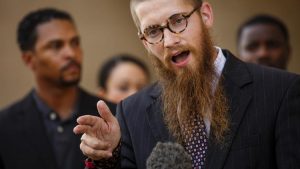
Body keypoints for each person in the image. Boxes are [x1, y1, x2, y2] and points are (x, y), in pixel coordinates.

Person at [74, 0, 300, 169]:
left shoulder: (281, 91)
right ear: (144, 42)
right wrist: (109, 156)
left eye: (178, 21)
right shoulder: (131, 112)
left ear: (206, 15)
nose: (170, 41)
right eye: (153, 31)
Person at [0, 8, 115, 169]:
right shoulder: (5, 127)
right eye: (56, 46)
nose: (71, 53)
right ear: (29, 60)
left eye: (75, 43)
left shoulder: (112, 117)